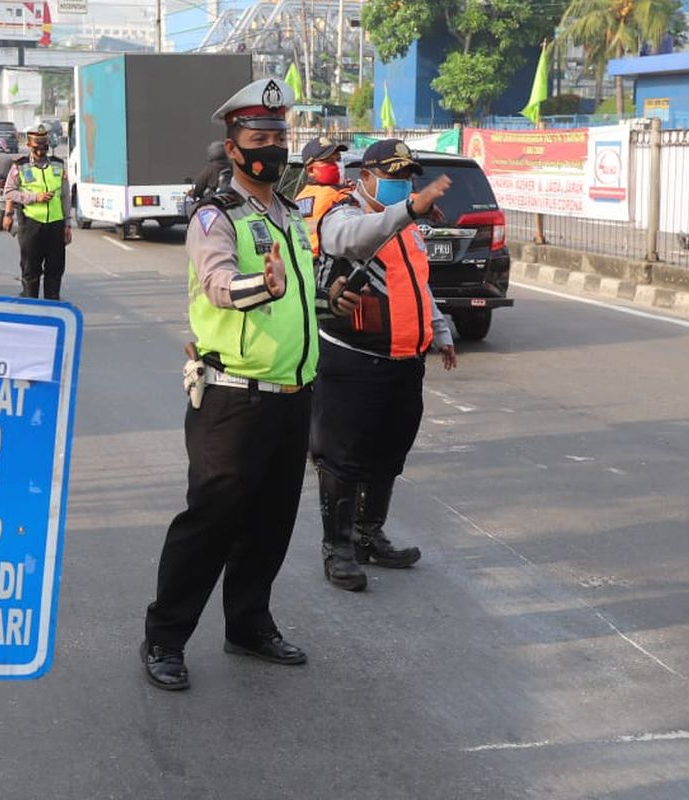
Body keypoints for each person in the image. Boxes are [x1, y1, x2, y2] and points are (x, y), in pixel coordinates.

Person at [140, 78, 359, 691]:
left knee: (271, 522)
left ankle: (248, 625)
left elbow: (297, 296)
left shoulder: (289, 214)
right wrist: (263, 285)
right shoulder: (216, 217)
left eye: (278, 138)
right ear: (233, 149)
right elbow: (218, 286)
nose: (272, 149)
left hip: (292, 397)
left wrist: (328, 298)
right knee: (210, 523)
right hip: (232, 398)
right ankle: (164, 638)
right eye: (258, 140)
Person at [310, 139, 457, 592]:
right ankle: (338, 550)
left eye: (408, 177)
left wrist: (440, 330)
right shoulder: (343, 214)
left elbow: (417, 283)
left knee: (388, 454)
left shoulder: (407, 226)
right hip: (352, 361)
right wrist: (408, 210)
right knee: (342, 458)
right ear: (366, 177)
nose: (404, 185)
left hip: (403, 362)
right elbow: (351, 240)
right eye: (394, 177)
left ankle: (368, 535)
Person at [3, 125, 70, 300]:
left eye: (44, 146)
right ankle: (31, 306)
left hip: (56, 224)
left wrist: (67, 224)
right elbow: (9, 192)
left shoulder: (58, 165)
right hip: (31, 224)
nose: (41, 150)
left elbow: (65, 195)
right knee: (30, 269)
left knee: (55, 269)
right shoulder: (20, 166)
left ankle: (52, 306)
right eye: (37, 146)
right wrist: (34, 197)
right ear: (29, 145)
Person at [294, 136, 352, 256]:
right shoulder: (338, 196)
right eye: (329, 161)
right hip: (332, 260)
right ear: (311, 170)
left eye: (338, 159)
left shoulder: (300, 198)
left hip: (308, 260)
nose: (337, 165)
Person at [188, 140, 231, 210]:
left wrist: (195, 194)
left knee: (192, 209)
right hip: (232, 201)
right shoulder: (232, 167)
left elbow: (200, 185)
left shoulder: (209, 169)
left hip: (214, 202)